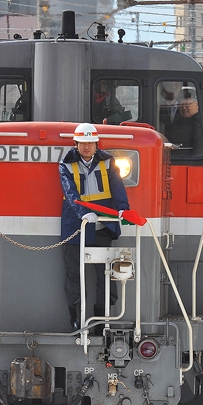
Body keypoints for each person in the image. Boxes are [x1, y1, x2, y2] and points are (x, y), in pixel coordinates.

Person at [59, 123, 130, 332]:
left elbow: (118, 188)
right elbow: (70, 194)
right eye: (82, 143)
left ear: (96, 143)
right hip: (76, 228)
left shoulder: (108, 162)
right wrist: (83, 214)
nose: (87, 147)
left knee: (106, 275)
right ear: (76, 144)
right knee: (74, 275)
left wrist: (123, 210)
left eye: (90, 142)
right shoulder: (65, 164)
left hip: (103, 227)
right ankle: (77, 321)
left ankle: (102, 322)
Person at [165, 87, 203, 156]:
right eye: (180, 104)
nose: (183, 107)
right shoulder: (180, 118)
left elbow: (198, 146)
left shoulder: (198, 121)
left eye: (187, 104)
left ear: (197, 105)